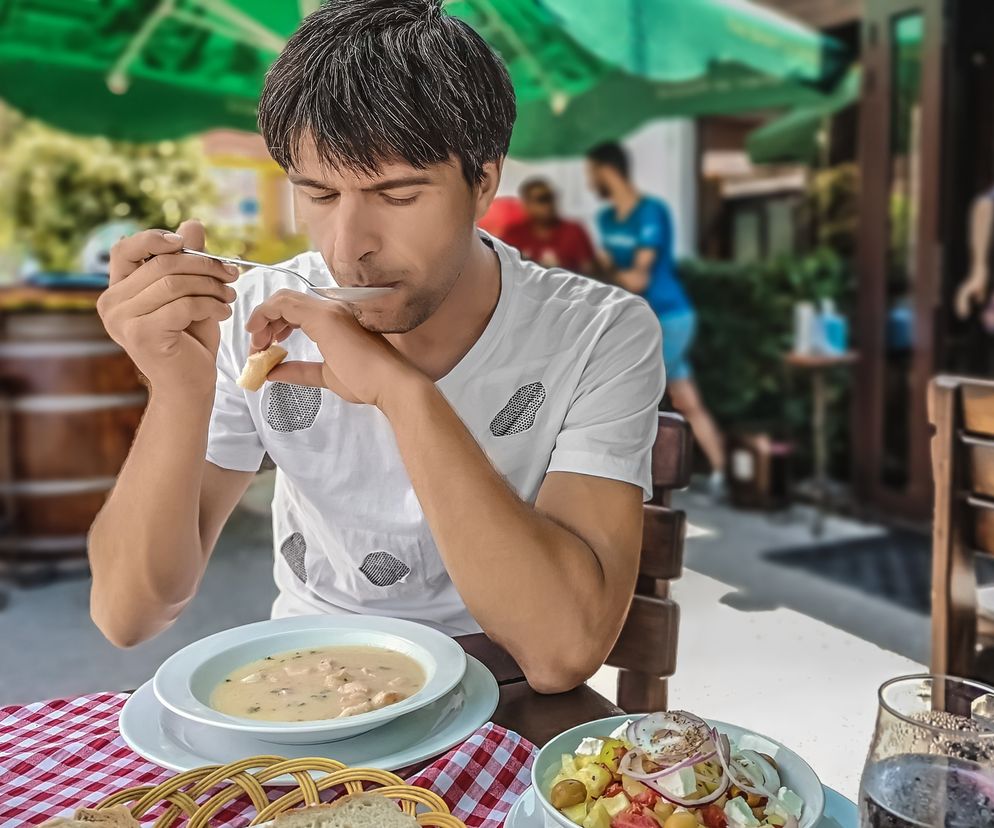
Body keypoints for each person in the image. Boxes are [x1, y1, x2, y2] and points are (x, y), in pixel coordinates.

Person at [88, 0, 664, 694]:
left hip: (502, 692)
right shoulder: (255, 315)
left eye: (396, 195)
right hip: (307, 684)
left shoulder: (598, 332)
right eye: (320, 195)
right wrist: (179, 387)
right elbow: (129, 614)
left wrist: (399, 392)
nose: (347, 248)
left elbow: (560, 652)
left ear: (484, 180)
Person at [586, 141, 726, 490]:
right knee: (687, 400)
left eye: (591, 173)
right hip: (642, 319)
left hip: (669, 317)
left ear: (607, 170)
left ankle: (635, 485)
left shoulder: (651, 212)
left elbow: (637, 277)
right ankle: (724, 474)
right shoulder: (605, 219)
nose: (590, 183)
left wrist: (608, 272)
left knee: (632, 395)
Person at [502, 178, 597, 275]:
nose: (549, 204)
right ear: (527, 204)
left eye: (552, 197)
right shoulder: (514, 234)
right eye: (543, 199)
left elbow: (589, 273)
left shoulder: (573, 231)